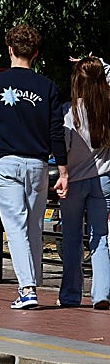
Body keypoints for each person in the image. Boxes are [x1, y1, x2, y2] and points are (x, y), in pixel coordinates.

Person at [0, 25, 68, 310]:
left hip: (5, 161)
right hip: (38, 164)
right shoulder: (47, 87)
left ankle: (27, 288)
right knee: (33, 225)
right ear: (36, 53)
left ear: (9, 49)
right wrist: (62, 171)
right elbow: (56, 132)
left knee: (14, 226)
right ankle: (32, 280)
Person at [59, 57, 110, 309]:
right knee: (100, 236)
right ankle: (101, 292)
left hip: (73, 180)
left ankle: (70, 294)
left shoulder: (69, 112)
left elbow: (63, 146)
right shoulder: (107, 108)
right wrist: (99, 63)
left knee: (71, 237)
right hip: (104, 178)